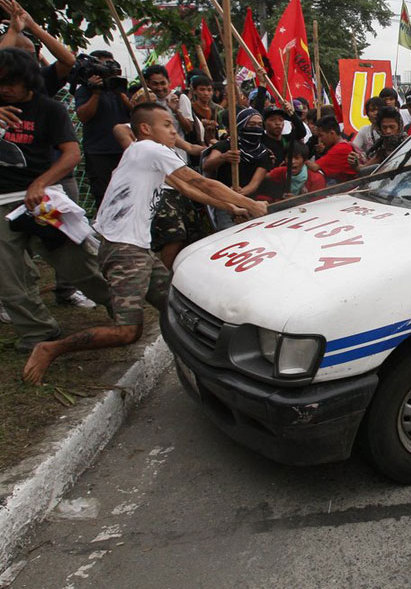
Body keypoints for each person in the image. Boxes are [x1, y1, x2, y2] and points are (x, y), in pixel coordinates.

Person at [21, 103, 267, 384]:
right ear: (146, 129)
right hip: (125, 250)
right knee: (128, 332)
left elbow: (187, 188)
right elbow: (201, 182)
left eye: (173, 124)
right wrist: (250, 203)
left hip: (135, 247)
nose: (173, 129)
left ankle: (206, 364)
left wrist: (230, 207)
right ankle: (50, 349)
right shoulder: (149, 149)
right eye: (166, 124)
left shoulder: (145, 156)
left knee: (176, 306)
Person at [0, 48, 111, 353]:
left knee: (78, 264)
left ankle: (120, 307)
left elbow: (71, 154)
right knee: (8, 276)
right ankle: (37, 332)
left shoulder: (49, 109)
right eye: (0, 82)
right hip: (1, 203)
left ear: (28, 80)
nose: (5, 89)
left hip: (42, 200)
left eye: (12, 82)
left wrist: (41, 182)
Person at [74, 50, 132, 205]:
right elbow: (83, 116)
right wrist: (96, 93)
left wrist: (120, 92)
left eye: (110, 64)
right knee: (105, 198)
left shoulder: (120, 88)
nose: (108, 68)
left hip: (125, 150)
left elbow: (135, 113)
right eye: (104, 64)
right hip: (99, 153)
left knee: (129, 196)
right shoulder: (85, 90)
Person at [203, 108, 274, 227]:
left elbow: (254, 184)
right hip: (225, 202)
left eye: (259, 125)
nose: (256, 128)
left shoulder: (264, 153)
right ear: (241, 125)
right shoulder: (225, 145)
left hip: (250, 202)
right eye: (251, 124)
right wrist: (224, 157)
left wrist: (239, 194)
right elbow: (207, 166)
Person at [308, 115, 357, 184]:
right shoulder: (342, 144)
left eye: (321, 135)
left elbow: (314, 167)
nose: (320, 140)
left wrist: (301, 159)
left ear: (332, 133)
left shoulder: (340, 148)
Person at [189, 74, 221, 146]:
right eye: (202, 89)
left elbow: (222, 131)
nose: (206, 93)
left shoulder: (216, 111)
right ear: (194, 91)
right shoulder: (191, 109)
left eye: (209, 90)